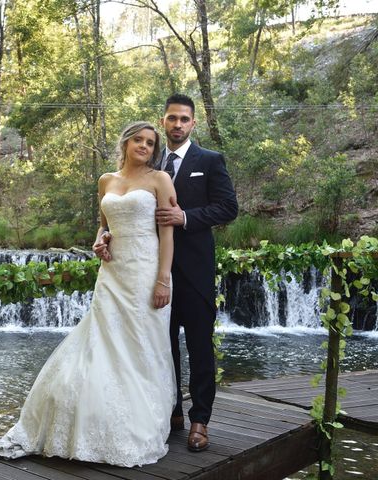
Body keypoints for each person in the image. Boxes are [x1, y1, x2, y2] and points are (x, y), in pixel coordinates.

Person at [0, 122, 177, 467]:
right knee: (102, 340)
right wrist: (100, 238)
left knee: (140, 344)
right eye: (138, 140)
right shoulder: (106, 181)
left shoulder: (159, 180)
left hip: (146, 269)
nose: (145, 146)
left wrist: (163, 278)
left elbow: (167, 234)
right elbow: (105, 222)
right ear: (125, 143)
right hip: (112, 271)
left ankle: (139, 420)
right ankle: (91, 419)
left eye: (151, 143)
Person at [155, 93, 238, 452]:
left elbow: (228, 207)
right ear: (163, 121)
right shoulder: (151, 163)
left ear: (193, 123)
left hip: (196, 272)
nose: (177, 124)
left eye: (184, 119)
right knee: (162, 346)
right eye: (172, 118)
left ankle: (200, 420)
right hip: (156, 273)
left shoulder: (210, 160)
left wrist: (186, 217)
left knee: (201, 349)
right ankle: (171, 410)